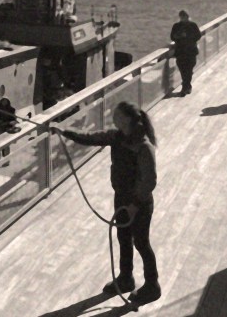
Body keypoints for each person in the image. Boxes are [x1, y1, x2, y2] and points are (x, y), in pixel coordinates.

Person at [53, 101, 160, 306]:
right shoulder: (117, 137)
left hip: (139, 203)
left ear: (127, 119)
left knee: (141, 243)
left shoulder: (143, 146)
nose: (112, 116)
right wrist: (64, 131)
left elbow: (149, 180)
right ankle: (126, 278)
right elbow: (91, 138)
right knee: (123, 238)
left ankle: (153, 286)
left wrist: (134, 205)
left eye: (117, 115)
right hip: (121, 198)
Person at [170, 10, 201, 95]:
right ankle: (186, 87)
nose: (183, 18)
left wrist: (187, 37)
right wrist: (179, 36)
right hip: (180, 51)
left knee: (189, 69)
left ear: (188, 16)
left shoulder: (193, 25)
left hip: (191, 51)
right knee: (183, 70)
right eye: (182, 16)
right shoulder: (176, 26)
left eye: (185, 16)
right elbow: (172, 37)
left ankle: (185, 87)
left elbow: (198, 36)